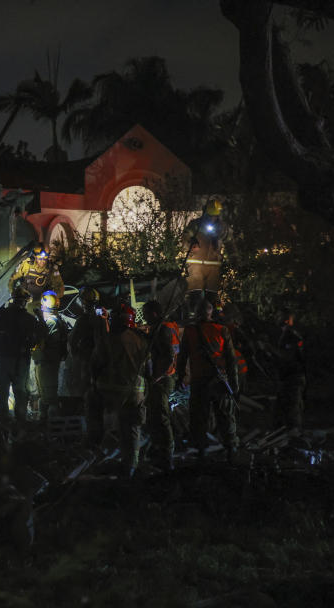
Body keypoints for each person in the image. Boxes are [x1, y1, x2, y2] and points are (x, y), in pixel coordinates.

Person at [175, 298, 239, 462]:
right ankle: (231, 449)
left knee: (199, 419)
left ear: (196, 313)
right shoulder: (222, 330)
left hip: (199, 381)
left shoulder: (190, 331)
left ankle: (201, 451)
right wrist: (234, 382)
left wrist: (180, 377)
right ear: (211, 312)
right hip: (219, 380)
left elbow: (182, 357)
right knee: (225, 417)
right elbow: (231, 359)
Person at [91, 303, 147, 477]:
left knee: (106, 425)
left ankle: (102, 458)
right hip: (136, 391)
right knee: (132, 429)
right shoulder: (141, 339)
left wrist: (95, 385)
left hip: (110, 393)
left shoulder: (107, 339)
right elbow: (148, 366)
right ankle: (131, 465)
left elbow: (95, 365)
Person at [0, 286, 47, 424]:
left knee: (0, 395)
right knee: (20, 394)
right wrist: (41, 318)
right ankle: (21, 427)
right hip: (19, 362)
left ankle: (2, 428)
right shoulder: (29, 319)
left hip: (0, 361)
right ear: (25, 301)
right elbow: (42, 335)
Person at [142, 299, 180, 472]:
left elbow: (168, 356)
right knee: (156, 415)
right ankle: (160, 449)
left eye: (146, 313)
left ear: (154, 314)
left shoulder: (162, 330)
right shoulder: (160, 329)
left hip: (161, 380)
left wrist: (156, 377)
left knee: (161, 415)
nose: (144, 317)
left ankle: (167, 454)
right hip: (160, 378)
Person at [32, 290, 69, 422]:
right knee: (46, 396)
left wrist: (40, 319)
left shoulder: (51, 322)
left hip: (47, 362)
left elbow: (43, 339)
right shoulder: (57, 320)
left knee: (49, 397)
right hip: (49, 361)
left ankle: (51, 426)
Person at [183, 199, 227, 305]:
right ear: (205, 213)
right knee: (195, 294)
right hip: (196, 265)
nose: (213, 218)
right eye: (210, 216)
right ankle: (194, 316)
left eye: (215, 216)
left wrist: (235, 257)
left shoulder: (222, 228)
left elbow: (230, 242)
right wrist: (190, 244)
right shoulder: (195, 225)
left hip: (214, 266)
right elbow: (185, 237)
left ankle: (215, 316)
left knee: (213, 296)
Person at [68, 287, 109, 401]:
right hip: (100, 360)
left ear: (83, 302)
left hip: (85, 361)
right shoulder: (101, 319)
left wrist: (75, 358)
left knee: (84, 391)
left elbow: (72, 342)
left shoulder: (83, 320)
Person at [9, 242, 64, 313]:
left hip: (43, 305)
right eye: (40, 258)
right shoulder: (27, 265)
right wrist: (14, 293)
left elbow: (60, 288)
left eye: (45, 258)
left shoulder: (51, 268)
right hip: (25, 303)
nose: (42, 261)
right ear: (35, 256)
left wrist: (48, 296)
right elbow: (12, 280)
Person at [275, 310, 307, 431]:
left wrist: (273, 351)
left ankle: (294, 432)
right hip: (287, 376)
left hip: (293, 376)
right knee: (285, 405)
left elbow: (289, 357)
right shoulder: (285, 335)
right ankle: (284, 430)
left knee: (293, 405)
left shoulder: (291, 336)